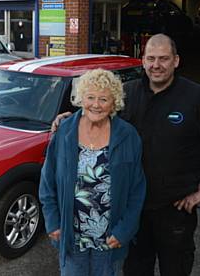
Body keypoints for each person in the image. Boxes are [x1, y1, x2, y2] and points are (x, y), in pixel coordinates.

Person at [52, 34, 200, 276]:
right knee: (135, 269)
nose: (156, 65)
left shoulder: (196, 99)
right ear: (142, 61)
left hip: (174, 212)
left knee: (175, 269)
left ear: (176, 61)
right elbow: (97, 112)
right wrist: (70, 117)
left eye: (163, 59)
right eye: (151, 58)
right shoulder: (128, 94)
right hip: (132, 211)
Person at [40, 68, 146, 276]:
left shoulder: (128, 135)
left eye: (104, 99)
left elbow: (137, 189)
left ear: (114, 103)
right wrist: (52, 221)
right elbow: (47, 181)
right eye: (90, 97)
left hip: (110, 239)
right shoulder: (65, 131)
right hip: (71, 236)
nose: (96, 105)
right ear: (81, 99)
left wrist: (124, 231)